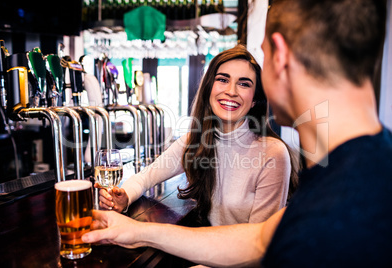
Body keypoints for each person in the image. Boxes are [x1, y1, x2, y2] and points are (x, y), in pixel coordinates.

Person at [83, 0, 392, 266]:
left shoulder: (332, 209)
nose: (233, 90)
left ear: (280, 55)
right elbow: (258, 239)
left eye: (263, 56)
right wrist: (136, 231)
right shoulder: (360, 172)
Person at [98, 44, 298, 226]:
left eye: (244, 84)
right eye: (223, 80)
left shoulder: (272, 153)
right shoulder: (194, 141)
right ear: (209, 88)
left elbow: (258, 246)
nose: (231, 91)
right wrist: (124, 196)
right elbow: (146, 177)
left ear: (254, 100)